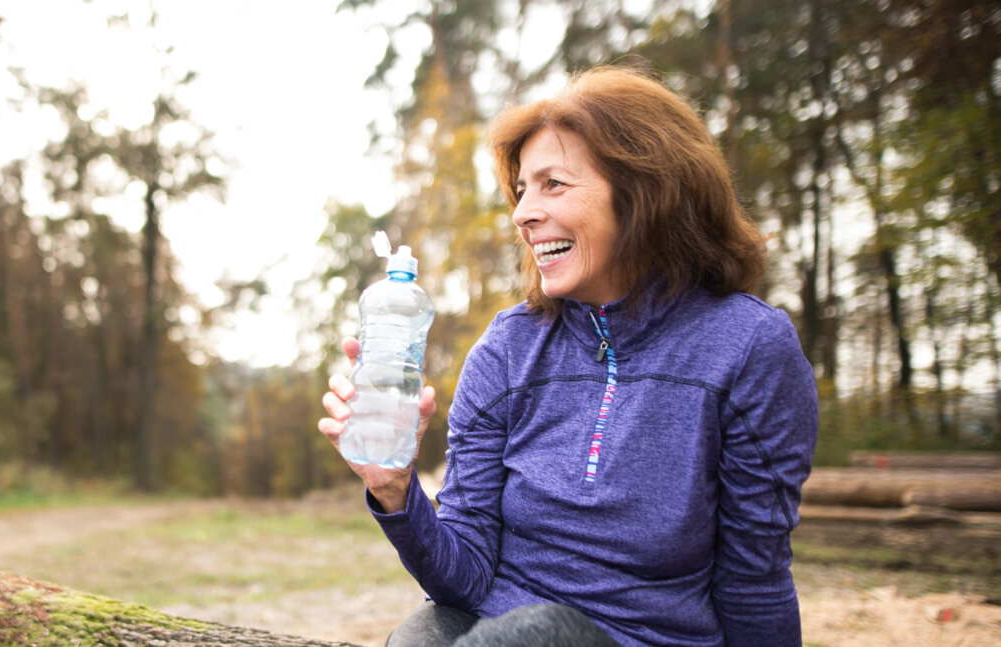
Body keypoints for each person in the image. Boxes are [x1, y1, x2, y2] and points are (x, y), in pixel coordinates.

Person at [317, 66, 819, 647]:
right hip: (490, 631)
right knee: (423, 637)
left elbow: (753, 580)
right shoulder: (506, 350)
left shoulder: (748, 348)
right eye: (523, 189)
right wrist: (395, 491)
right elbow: (466, 574)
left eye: (553, 184)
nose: (522, 213)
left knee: (540, 633)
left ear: (644, 192)